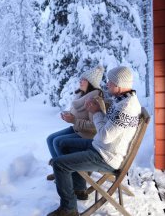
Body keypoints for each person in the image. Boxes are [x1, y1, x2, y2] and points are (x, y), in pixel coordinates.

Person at [46, 66, 142, 216]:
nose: (107, 84)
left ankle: (69, 209)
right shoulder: (121, 100)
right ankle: (78, 187)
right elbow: (107, 127)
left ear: (119, 85)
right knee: (60, 142)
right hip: (101, 147)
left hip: (106, 156)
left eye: (110, 82)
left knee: (59, 164)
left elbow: (104, 135)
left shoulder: (126, 108)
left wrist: (96, 112)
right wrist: (98, 110)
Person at [46, 65, 105, 181]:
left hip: (87, 135)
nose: (80, 81)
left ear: (91, 83)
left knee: (57, 142)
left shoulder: (94, 100)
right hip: (78, 129)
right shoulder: (81, 96)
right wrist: (68, 115)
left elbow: (94, 126)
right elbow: (78, 114)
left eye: (84, 80)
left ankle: (65, 173)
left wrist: (74, 120)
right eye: (81, 79)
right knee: (50, 139)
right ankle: (59, 170)